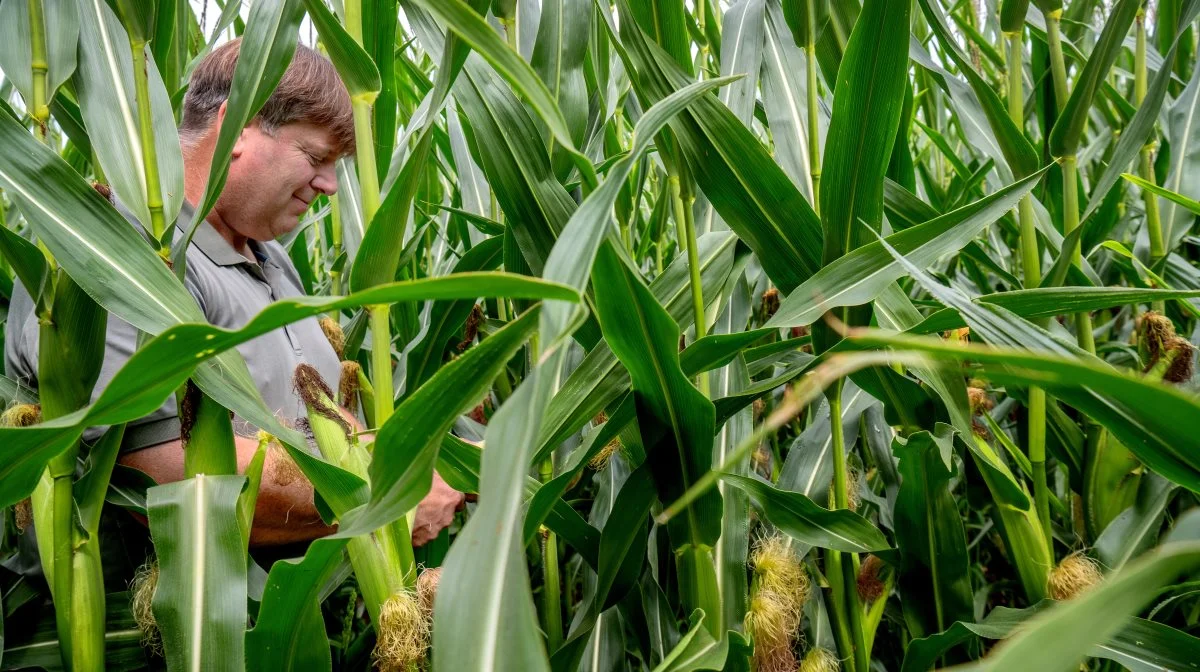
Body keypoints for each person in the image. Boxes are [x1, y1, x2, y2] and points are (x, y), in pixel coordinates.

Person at [4, 39, 464, 547]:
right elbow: (158, 475)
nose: (332, 185)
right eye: (316, 156)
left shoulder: (270, 257)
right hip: (175, 617)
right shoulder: (122, 253)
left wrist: (412, 458)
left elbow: (317, 415)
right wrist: (383, 496)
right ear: (235, 127)